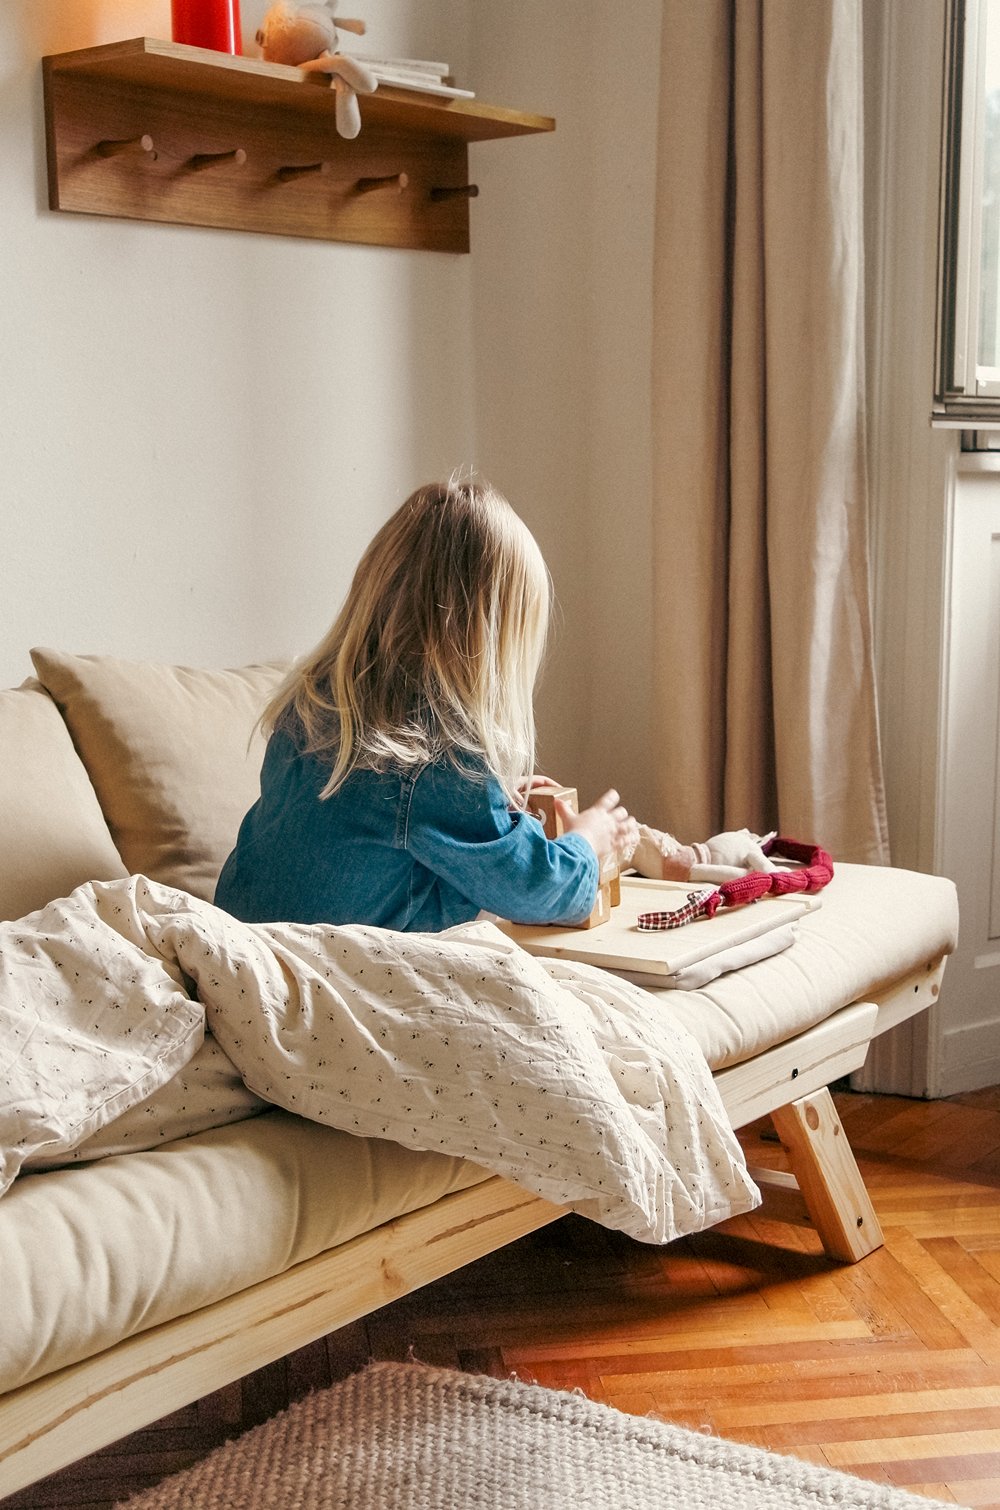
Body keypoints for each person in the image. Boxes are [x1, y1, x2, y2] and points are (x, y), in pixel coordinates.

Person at [214, 477, 634, 931]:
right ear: (492, 638)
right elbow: (539, 892)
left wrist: (488, 807)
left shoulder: (312, 705)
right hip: (329, 966)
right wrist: (587, 842)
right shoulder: (439, 758)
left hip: (241, 941)